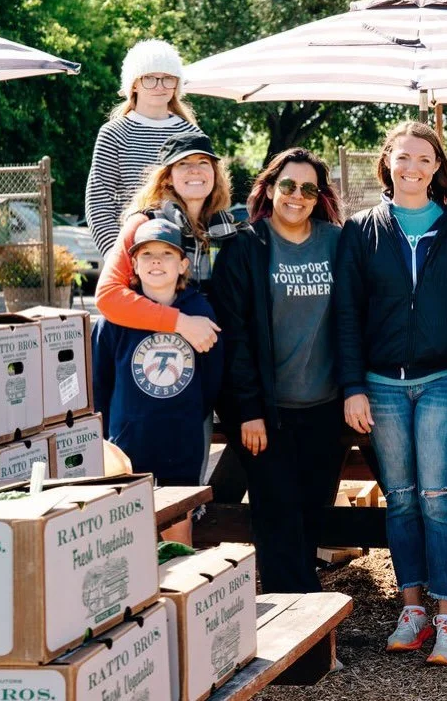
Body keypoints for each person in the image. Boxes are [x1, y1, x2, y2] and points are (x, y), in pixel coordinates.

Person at [336, 121, 447, 667]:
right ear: (387, 162)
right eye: (403, 157)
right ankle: (412, 610)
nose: (412, 167)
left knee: (437, 497)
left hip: (444, 380)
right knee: (401, 497)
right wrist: (353, 386)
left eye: (424, 159)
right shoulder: (361, 230)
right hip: (380, 384)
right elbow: (346, 314)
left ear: (437, 168)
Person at [210, 148, 345, 594]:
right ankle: (295, 610)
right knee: (276, 513)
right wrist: (248, 411)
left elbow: (355, 318)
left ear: (319, 196)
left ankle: (302, 609)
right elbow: (235, 337)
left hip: (325, 406)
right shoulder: (245, 247)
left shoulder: (337, 242)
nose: (297, 195)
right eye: (288, 185)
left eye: (308, 189)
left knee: (310, 513)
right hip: (266, 412)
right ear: (269, 189)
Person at [94, 131, 236, 482]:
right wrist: (180, 323)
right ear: (167, 176)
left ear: (215, 173)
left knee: (192, 481)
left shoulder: (223, 228)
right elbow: (108, 296)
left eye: (203, 163)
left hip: (205, 368)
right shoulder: (145, 225)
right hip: (149, 372)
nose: (195, 171)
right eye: (183, 164)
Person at [92, 218, 224, 544]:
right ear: (134, 265)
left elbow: (211, 380)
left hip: (181, 444)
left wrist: (187, 415)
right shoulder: (115, 319)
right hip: (128, 445)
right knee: (130, 539)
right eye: (147, 254)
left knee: (177, 539)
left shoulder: (200, 313)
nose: (156, 261)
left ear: (183, 264)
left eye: (166, 254)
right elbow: (100, 382)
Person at [86, 39, 198, 258]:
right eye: (150, 78)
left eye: (168, 78)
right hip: (132, 252)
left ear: (177, 84)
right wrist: (118, 257)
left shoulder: (191, 133)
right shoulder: (114, 133)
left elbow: (205, 198)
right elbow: (99, 203)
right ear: (134, 84)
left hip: (185, 256)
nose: (160, 86)